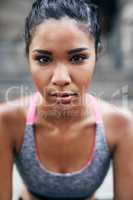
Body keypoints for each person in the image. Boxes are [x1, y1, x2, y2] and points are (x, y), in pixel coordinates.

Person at [0, 0, 133, 199]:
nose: (61, 78)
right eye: (44, 59)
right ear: (28, 57)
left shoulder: (120, 124)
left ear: (97, 54)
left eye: (77, 58)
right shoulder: (8, 120)